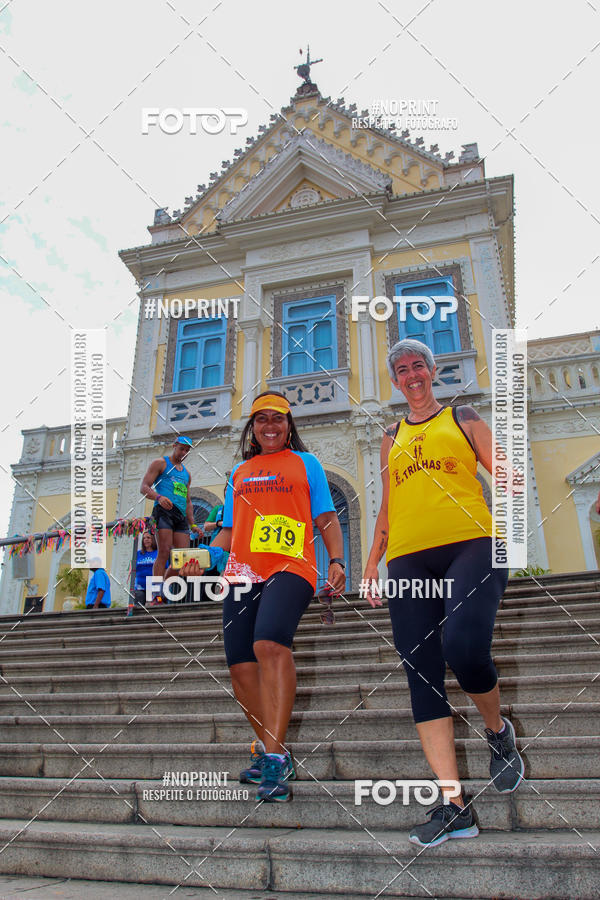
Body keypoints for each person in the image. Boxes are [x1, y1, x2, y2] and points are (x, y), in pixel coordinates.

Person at [363, 338, 524, 848]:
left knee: (463, 647)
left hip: (472, 544)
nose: (412, 375)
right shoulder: (390, 437)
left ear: (433, 372)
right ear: (395, 382)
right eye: (402, 370)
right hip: (407, 557)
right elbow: (388, 506)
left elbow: (506, 473)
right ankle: (454, 807)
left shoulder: (462, 417)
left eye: (419, 366)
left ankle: (497, 731)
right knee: (421, 673)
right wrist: (371, 563)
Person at [180, 391, 346, 802]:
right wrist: (201, 558)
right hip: (242, 572)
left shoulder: (306, 464)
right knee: (240, 667)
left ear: (289, 425)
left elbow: (326, 517)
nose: (270, 425)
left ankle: (271, 757)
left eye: (278, 418)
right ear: (252, 428)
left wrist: (337, 560)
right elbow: (229, 532)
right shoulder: (239, 472)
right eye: (261, 419)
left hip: (291, 566)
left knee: (269, 643)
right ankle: (276, 750)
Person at [140, 436, 199, 602]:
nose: (184, 452)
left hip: (180, 515)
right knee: (164, 551)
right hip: (163, 511)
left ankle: (162, 590)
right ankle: (155, 595)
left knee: (181, 557)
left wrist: (193, 524)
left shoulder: (186, 474)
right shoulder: (160, 463)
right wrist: (158, 497)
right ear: (174, 446)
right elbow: (144, 487)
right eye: (181, 449)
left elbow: (188, 501)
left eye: (187, 450)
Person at [127, 531, 158, 616]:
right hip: (139, 587)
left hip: (153, 587)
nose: (146, 540)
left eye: (148, 538)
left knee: (150, 610)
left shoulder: (158, 553)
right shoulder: (138, 554)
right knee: (139, 609)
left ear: (153, 539)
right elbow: (132, 568)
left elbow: (164, 568)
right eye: (144, 538)